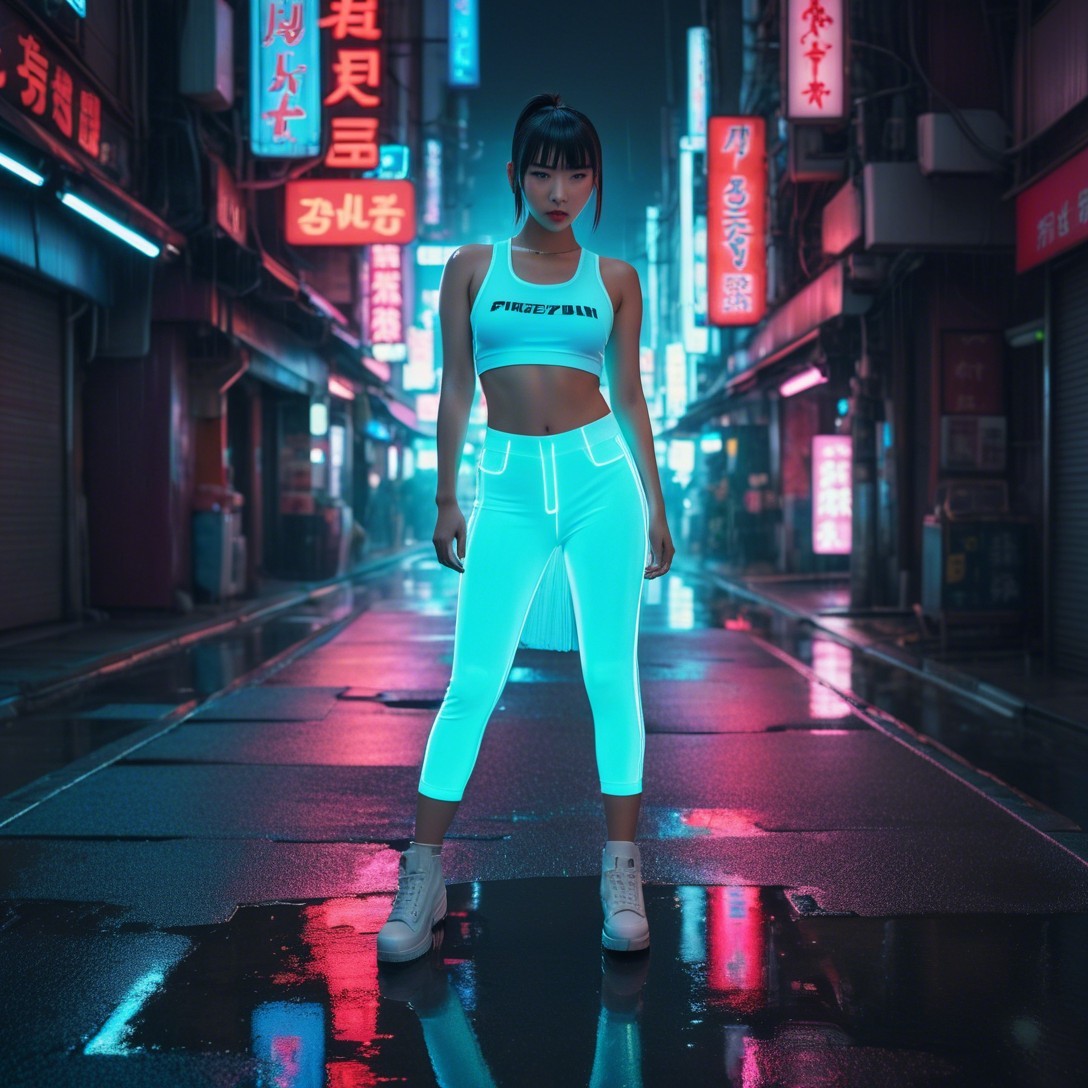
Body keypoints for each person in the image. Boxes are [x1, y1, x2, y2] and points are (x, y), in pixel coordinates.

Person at [376, 93, 675, 964]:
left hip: (600, 482)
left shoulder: (616, 278)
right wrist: (444, 496)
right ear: (515, 174)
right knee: (472, 682)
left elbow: (629, 396)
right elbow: (456, 391)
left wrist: (655, 501)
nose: (559, 189)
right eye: (543, 170)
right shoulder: (472, 267)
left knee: (610, 678)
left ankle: (622, 872)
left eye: (576, 172)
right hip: (504, 485)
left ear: (593, 180)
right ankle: (422, 877)